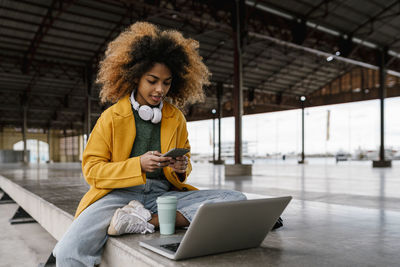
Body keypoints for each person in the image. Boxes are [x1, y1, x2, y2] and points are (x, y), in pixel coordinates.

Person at [53, 22, 246, 267]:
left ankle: (145, 220)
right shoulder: (111, 117)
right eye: (152, 80)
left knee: (235, 198)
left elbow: (184, 171)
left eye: (166, 82)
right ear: (135, 76)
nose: (160, 89)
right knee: (68, 252)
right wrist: (138, 165)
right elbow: (92, 171)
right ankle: (139, 217)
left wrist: (180, 167)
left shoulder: (175, 117)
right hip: (116, 196)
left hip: (162, 196)